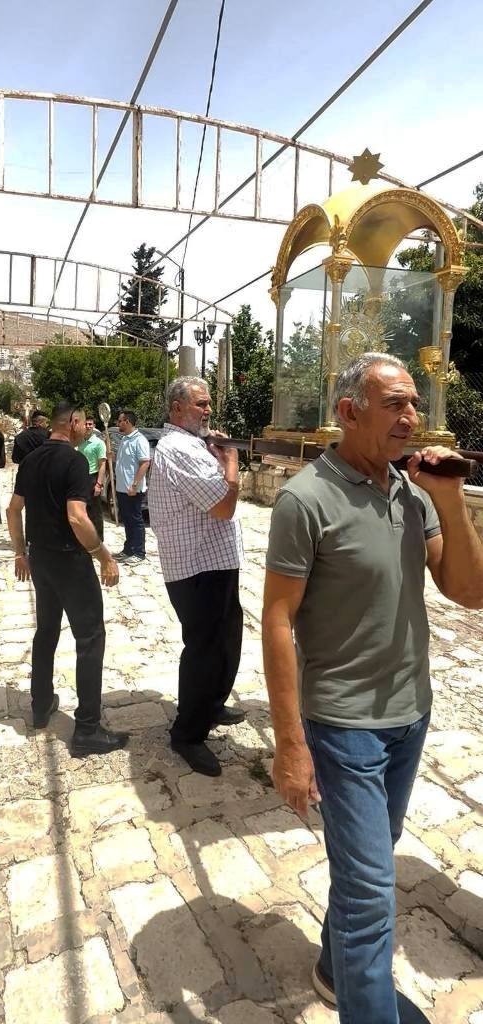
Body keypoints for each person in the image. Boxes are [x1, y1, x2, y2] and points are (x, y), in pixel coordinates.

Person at [262, 352, 483, 1024]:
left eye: (414, 403)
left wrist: (448, 497)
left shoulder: (412, 494)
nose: (411, 417)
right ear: (348, 412)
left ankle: (334, 971)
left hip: (409, 715)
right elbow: (276, 621)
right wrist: (289, 745)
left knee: (369, 861)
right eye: (394, 404)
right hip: (343, 726)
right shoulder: (305, 499)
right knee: (369, 896)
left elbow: (468, 590)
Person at [6, 401, 129, 757]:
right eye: (83, 423)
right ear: (73, 422)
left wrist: (20, 553)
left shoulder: (31, 460)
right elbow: (77, 517)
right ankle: (88, 729)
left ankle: (40, 705)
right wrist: (104, 556)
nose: (86, 429)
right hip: (70, 562)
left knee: (46, 632)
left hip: (40, 560)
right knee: (90, 638)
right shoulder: (74, 462)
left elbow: (14, 510)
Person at [148, 377, 245, 778]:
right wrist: (232, 462)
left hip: (215, 561)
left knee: (226, 640)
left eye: (208, 404)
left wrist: (218, 454)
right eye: (200, 404)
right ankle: (187, 734)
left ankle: (211, 705)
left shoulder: (196, 445)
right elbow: (223, 505)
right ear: (176, 408)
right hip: (196, 566)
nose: (208, 411)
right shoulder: (178, 449)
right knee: (204, 649)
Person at [113, 410, 150, 565]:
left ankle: (139, 552)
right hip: (122, 488)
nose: (118, 423)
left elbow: (145, 463)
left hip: (133, 490)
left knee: (135, 520)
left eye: (119, 421)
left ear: (127, 421)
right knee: (127, 520)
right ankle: (128, 549)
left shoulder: (139, 440)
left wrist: (134, 484)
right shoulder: (124, 439)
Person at [77, 415, 107, 540]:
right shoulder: (78, 442)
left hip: (92, 478)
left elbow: (102, 464)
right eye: (86, 424)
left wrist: (99, 484)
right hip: (80, 478)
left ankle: (98, 539)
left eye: (90, 424)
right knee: (82, 509)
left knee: (95, 511)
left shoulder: (99, 443)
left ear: (94, 426)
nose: (88, 426)